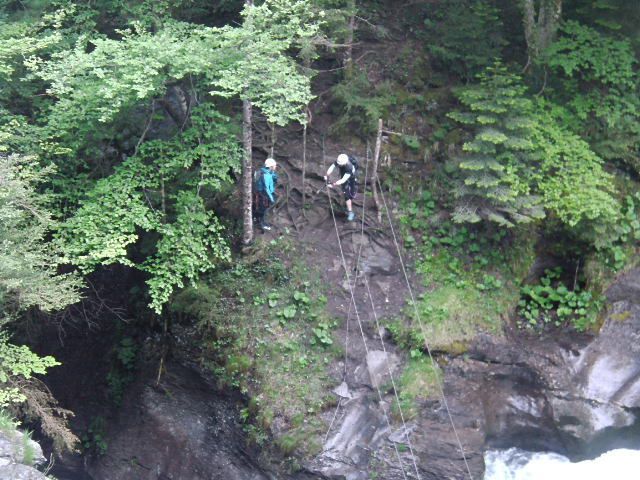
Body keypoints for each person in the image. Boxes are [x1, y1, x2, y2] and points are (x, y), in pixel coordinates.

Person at [324, 153, 357, 221]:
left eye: (339, 164)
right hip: (343, 174)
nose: (338, 164)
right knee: (345, 193)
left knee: (348, 196)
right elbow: (332, 167)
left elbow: (343, 180)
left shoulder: (349, 167)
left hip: (350, 178)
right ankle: (347, 204)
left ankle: (350, 212)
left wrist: (333, 184)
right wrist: (327, 175)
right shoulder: (340, 160)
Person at [254, 157, 278, 231]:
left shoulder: (264, 172)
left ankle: (256, 219)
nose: (275, 167)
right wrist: (271, 198)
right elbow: (266, 188)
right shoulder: (266, 175)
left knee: (261, 207)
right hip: (263, 194)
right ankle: (261, 224)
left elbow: (274, 178)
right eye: (274, 166)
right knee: (263, 209)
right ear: (270, 166)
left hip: (260, 193)